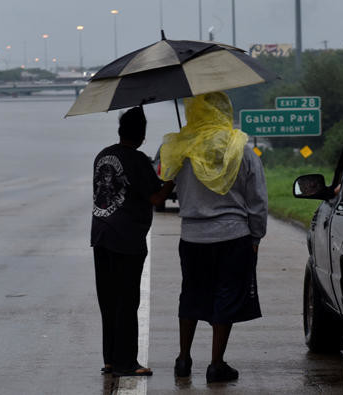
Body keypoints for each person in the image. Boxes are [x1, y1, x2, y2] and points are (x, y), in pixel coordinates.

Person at [160, 92, 268, 383]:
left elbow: (166, 183)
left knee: (191, 294)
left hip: (192, 237)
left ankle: (183, 359)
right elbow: (257, 199)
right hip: (233, 236)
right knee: (227, 296)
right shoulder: (240, 148)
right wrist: (256, 235)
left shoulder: (179, 149)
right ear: (224, 110)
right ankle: (216, 364)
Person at [91, 106, 174, 377]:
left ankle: (110, 360)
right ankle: (127, 363)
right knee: (127, 301)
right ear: (142, 134)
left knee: (109, 300)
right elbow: (156, 198)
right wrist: (173, 177)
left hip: (101, 235)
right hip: (126, 240)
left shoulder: (102, 156)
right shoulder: (137, 160)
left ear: (119, 130)